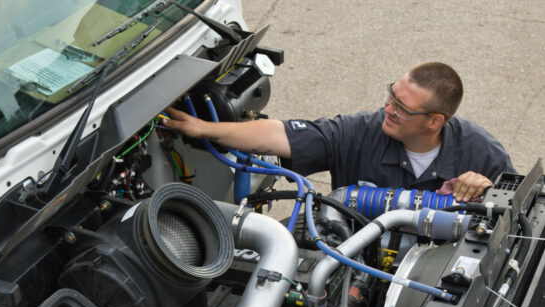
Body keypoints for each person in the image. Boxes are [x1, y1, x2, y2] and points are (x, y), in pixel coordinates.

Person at [162, 62, 514, 202]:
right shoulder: (360, 131)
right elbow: (280, 135)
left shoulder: (481, 152)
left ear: (434, 122)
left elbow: (521, 215)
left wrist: (489, 191)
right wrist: (206, 128)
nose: (388, 109)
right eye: (391, 96)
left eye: (402, 108)